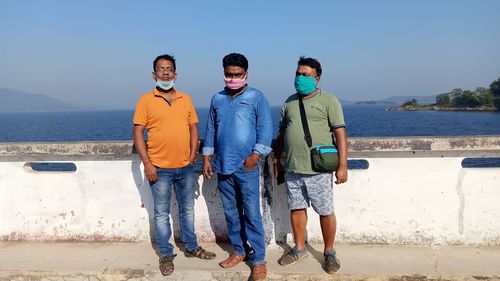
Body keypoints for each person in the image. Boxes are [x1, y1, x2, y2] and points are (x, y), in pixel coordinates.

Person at [133, 54, 216, 276]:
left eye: (169, 69)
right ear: (154, 74)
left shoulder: (185, 99)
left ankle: (191, 246)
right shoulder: (145, 100)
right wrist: (147, 164)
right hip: (158, 168)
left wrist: (192, 156)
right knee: (161, 213)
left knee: (187, 210)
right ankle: (166, 254)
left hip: (185, 168)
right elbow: (138, 133)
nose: (166, 72)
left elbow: (193, 129)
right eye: (161, 69)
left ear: (175, 74)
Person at [273, 56, 348, 274]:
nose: (300, 78)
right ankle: (299, 247)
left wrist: (342, 165)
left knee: (325, 211)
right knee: (297, 208)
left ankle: (330, 252)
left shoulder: (329, 101)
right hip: (293, 167)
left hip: (319, 169)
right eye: (298, 74)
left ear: (317, 78)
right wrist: (278, 159)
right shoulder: (289, 102)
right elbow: (281, 133)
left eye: (305, 75)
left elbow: (340, 134)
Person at [202, 53, 273, 281]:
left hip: (247, 166)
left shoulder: (256, 97)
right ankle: (240, 251)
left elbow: (265, 129)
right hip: (223, 166)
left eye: (237, 75)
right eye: (229, 74)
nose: (233, 78)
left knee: (252, 213)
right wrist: (206, 157)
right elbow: (211, 129)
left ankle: (259, 259)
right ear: (223, 74)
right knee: (232, 214)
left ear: (246, 74)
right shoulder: (217, 99)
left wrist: (256, 155)